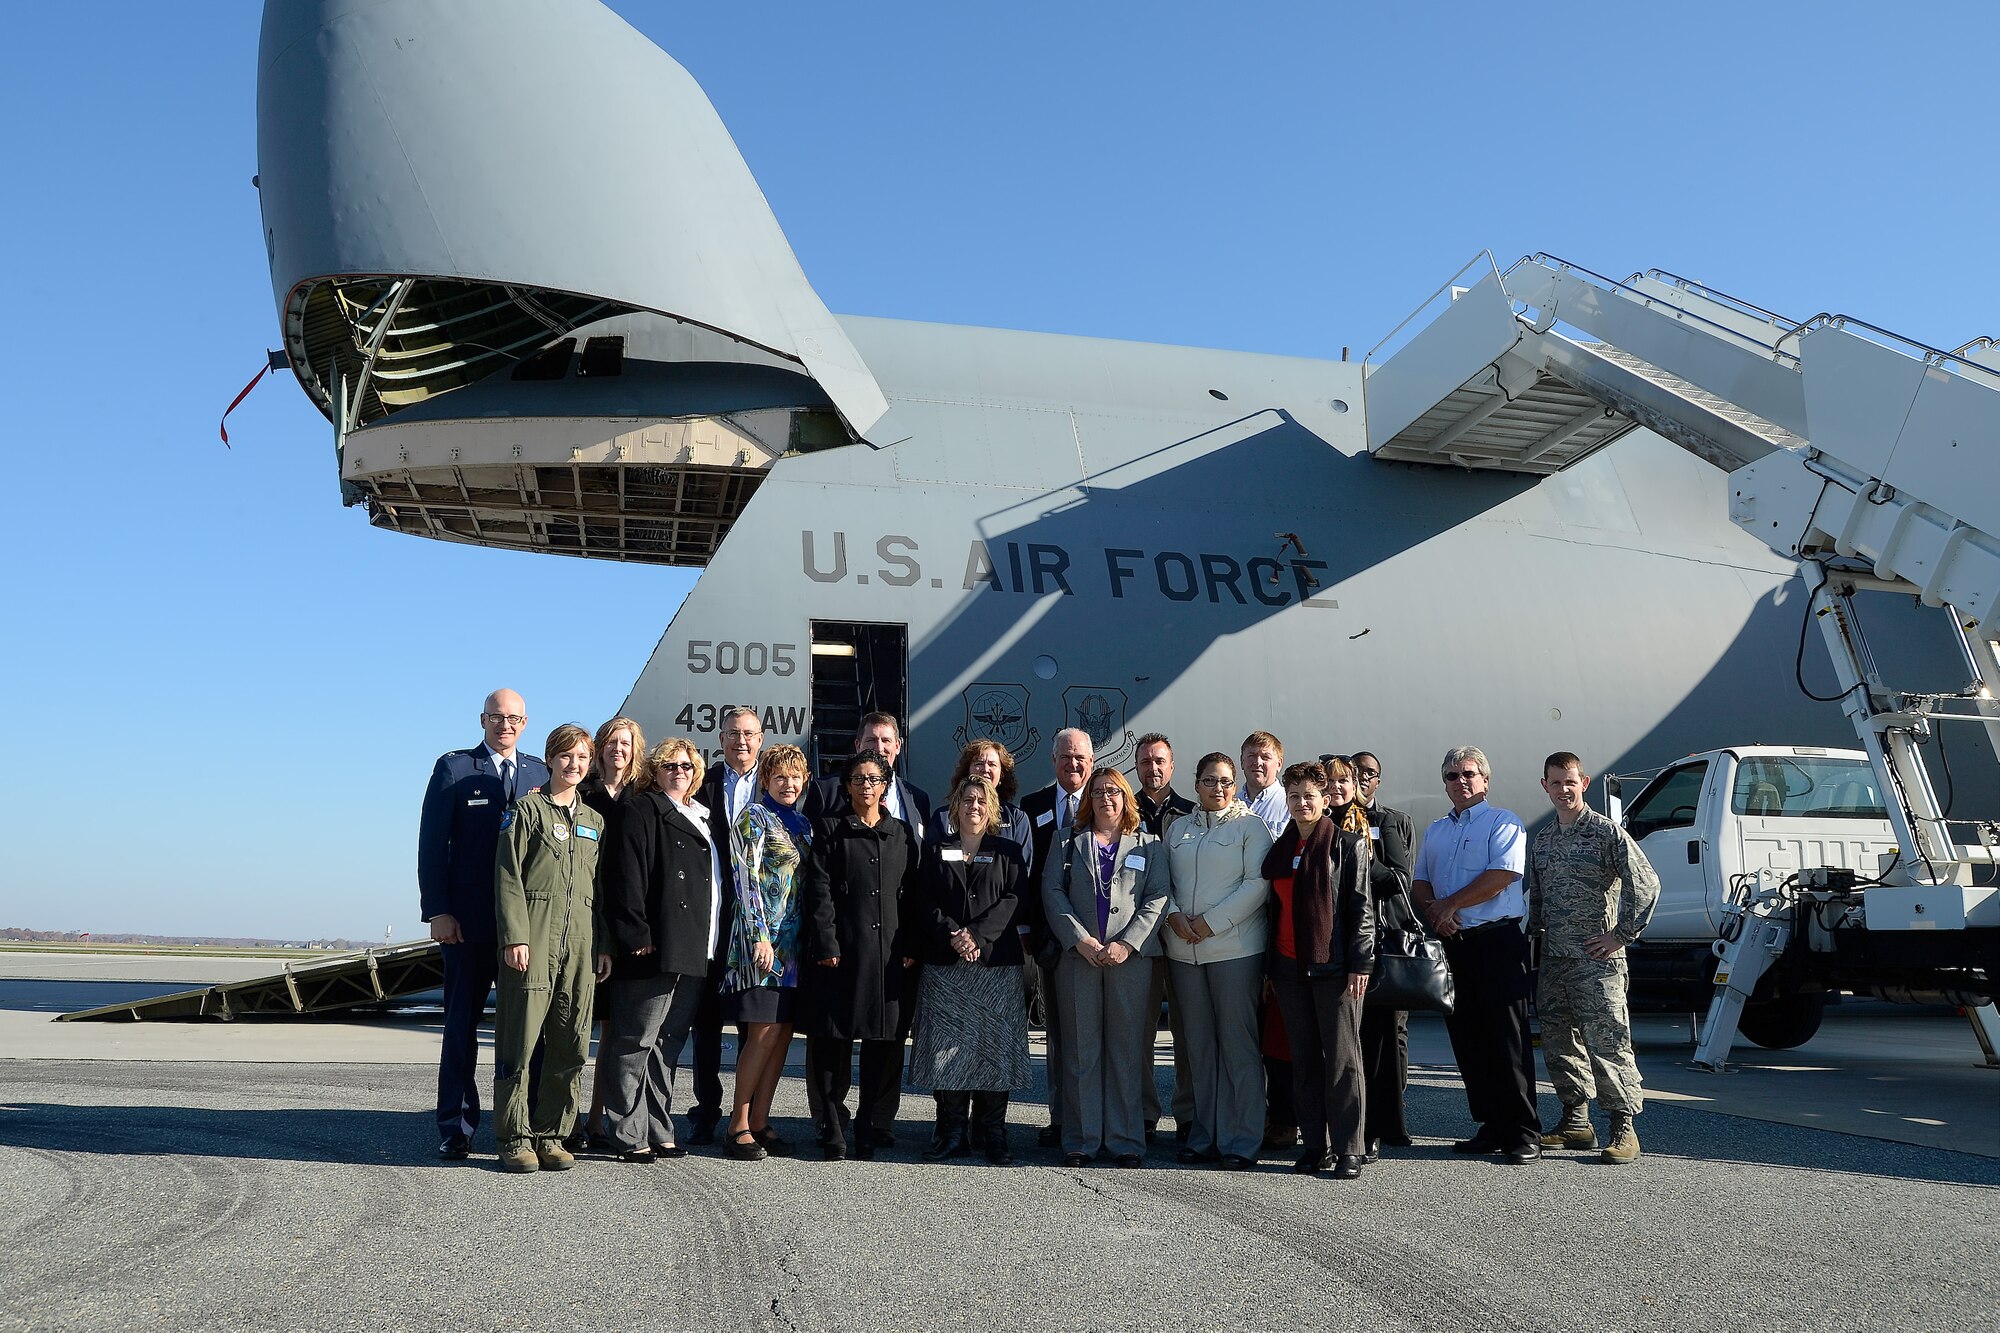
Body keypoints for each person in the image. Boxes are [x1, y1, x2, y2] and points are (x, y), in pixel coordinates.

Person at [417, 689, 550, 1160]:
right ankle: (456, 1125)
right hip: (468, 924)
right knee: (460, 1028)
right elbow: (432, 844)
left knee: (527, 1030)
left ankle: (524, 1122)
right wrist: (437, 910)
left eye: (514, 718)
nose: (505, 725)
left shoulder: (540, 772)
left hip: (525, 928)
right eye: (497, 717)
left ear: (526, 722)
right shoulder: (455, 769)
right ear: (483, 719)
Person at [491, 724, 613, 1172]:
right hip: (534, 939)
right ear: (549, 759)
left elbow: (599, 891)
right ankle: (513, 1135)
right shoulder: (526, 811)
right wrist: (515, 937)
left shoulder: (594, 821)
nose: (574, 765)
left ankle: (552, 1133)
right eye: (566, 756)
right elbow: (507, 878)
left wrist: (602, 945)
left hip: (581, 944)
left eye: (582, 757)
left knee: (571, 1041)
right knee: (520, 1042)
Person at [1530, 752, 1660, 1165]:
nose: (1563, 789)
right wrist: (1533, 938)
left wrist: (1620, 936)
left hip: (1596, 961)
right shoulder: (1545, 839)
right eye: (1555, 783)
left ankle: (1623, 1126)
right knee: (1559, 1041)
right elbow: (1537, 895)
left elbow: (1646, 884)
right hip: (1555, 959)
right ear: (1545, 786)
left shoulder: (1606, 833)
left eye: (1570, 781)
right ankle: (1575, 1121)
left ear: (1583, 782)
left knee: (1608, 1041)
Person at [1412, 745, 1538, 1164]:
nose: (1460, 781)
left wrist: (1451, 906)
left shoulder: (1504, 822)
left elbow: (1502, 875)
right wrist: (1436, 912)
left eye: (1469, 773)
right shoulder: (1436, 830)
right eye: (1452, 775)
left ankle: (1522, 1132)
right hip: (1453, 944)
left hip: (1497, 942)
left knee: (1507, 1038)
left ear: (1485, 780)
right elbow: (1421, 882)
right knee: (1467, 1039)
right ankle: (1490, 1124)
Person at [599, 737, 724, 1162]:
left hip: (694, 946)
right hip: (654, 945)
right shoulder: (641, 810)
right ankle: (626, 1132)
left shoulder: (700, 815)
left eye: (688, 766)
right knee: (635, 1041)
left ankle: (657, 1125)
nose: (680, 772)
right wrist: (635, 936)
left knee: (668, 1044)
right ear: (655, 770)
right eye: (670, 765)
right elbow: (625, 877)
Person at [1042, 765, 1169, 1167]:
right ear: (1088, 799)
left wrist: (1127, 944)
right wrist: (1079, 940)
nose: (1106, 798)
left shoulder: (1149, 845)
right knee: (1081, 1051)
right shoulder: (1065, 842)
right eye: (1098, 792)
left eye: (1114, 791)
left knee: (1127, 1052)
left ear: (1126, 797)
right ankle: (1080, 1138)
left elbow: (1158, 897)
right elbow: (1052, 893)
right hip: (1079, 959)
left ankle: (1126, 1139)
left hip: (1129, 962)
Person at [799, 749, 920, 1160]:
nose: (865, 786)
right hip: (840, 956)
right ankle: (832, 1128)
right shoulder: (830, 829)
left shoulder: (902, 834)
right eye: (857, 779)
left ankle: (870, 1127)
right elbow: (820, 892)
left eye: (873, 779)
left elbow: (914, 896)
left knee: (883, 1047)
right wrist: (827, 944)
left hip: (888, 959)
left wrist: (910, 947)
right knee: (832, 1043)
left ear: (885, 785)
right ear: (847, 785)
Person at [908, 776, 1032, 1165]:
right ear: (955, 806)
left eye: (981, 800)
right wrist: (954, 935)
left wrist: (977, 935)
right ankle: (952, 1132)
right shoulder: (934, 851)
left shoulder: (1008, 852)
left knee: (995, 1048)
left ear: (991, 807)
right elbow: (922, 901)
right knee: (949, 1052)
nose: (974, 806)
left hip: (995, 965)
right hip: (947, 965)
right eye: (967, 800)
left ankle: (994, 1133)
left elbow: (1015, 899)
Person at [1262, 760, 1375, 1178]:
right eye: (1294, 796)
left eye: (1310, 795)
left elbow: (1362, 909)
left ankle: (1349, 1148)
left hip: (1335, 967)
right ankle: (1314, 1145)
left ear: (1325, 800)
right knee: (1304, 1061)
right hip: (1289, 967)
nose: (1301, 803)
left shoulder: (1347, 846)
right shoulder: (1280, 849)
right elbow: (1273, 911)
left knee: (1343, 1061)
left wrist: (1361, 962)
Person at [1161, 751, 1273, 1169]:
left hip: (1233, 950)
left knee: (1237, 1045)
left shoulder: (1250, 827)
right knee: (1198, 1048)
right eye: (1210, 781)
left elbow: (1256, 885)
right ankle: (1204, 1134)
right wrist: (1173, 914)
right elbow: (1162, 880)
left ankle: (1242, 1139)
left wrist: (1210, 923)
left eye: (1226, 781)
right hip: (1183, 952)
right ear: (1196, 784)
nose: (1219, 788)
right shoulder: (1178, 829)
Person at [720, 743, 814, 1162]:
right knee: (761, 1032)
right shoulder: (753, 818)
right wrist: (759, 935)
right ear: (765, 780)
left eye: (795, 776)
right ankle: (737, 1122)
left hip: (795, 946)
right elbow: (747, 880)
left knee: (782, 1033)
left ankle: (761, 1119)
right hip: (762, 942)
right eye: (780, 777)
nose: (788, 783)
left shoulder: (805, 824)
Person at [686, 705, 765, 1145]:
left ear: (761, 738)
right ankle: (706, 1108)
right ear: (720, 739)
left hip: (762, 924)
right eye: (733, 734)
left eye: (749, 733)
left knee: (757, 1022)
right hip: (715, 917)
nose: (741, 741)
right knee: (708, 1021)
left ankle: (750, 1112)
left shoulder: (777, 783)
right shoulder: (704, 784)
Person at [571, 714, 648, 1152]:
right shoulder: (581, 794)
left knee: (613, 1030)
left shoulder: (645, 797)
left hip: (626, 926)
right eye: (611, 743)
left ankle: (599, 1119)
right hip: (587, 917)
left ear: (635, 749)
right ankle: (570, 1116)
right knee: (576, 1029)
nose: (618, 750)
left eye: (626, 743)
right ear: (599, 749)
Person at [1019, 727, 1095, 1147]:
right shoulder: (1033, 807)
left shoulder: (1109, 802)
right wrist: (1028, 930)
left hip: (1101, 939)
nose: (1073, 764)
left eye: (1081, 757)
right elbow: (1029, 876)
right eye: (1066, 757)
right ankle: (1060, 1117)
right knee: (1058, 1034)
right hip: (1051, 937)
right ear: (1054, 761)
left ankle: (1096, 1116)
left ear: (1092, 760)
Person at [1349, 750, 1417, 1159]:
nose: (1360, 779)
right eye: (1353, 772)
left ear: (1378, 780)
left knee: (1387, 1037)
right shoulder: (1325, 818)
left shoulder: (1389, 821)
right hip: (1341, 942)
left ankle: (1386, 1121)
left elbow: (1399, 878)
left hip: (1381, 939)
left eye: (1368, 774)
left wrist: (1356, 857)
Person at [1132, 733, 1196, 1144]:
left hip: (1183, 937)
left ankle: (1188, 1113)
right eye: (1145, 762)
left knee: (1187, 1030)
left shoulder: (1191, 814)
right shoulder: (1122, 809)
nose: (1152, 768)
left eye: (1160, 762)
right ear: (1135, 767)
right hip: (1137, 940)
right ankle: (1142, 1112)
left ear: (1172, 767)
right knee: (1139, 1031)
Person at [810, 712, 934, 837]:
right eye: (871, 740)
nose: (879, 748)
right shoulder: (825, 791)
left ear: (897, 746)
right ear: (858, 745)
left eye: (886, 740)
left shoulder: (918, 800)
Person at [922, 740, 1033, 858]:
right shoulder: (943, 817)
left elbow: (1021, 868)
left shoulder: (1017, 818)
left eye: (992, 764)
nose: (985, 769)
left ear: (1002, 774)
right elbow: (930, 864)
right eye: (979, 763)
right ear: (967, 770)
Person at [1239, 731, 1289, 839]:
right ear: (1242, 762)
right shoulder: (1230, 804)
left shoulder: (1290, 804)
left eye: (1265, 757)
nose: (1257, 762)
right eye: (1251, 756)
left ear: (1279, 764)